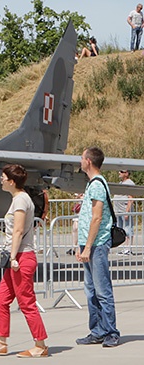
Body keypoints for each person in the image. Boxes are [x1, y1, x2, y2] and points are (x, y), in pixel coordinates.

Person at [0, 165, 49, 358]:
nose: (0, 180)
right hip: (17, 257)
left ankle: (40, 344)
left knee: (26, 302)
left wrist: (12, 256)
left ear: (11, 181)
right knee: (1, 299)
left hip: (21, 257)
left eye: (3, 177)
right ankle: (1, 342)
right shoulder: (19, 199)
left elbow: (18, 230)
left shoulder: (20, 201)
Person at [75, 147, 121, 348]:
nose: (80, 161)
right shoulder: (92, 184)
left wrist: (88, 247)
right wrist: (80, 245)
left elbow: (96, 217)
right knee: (91, 290)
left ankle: (111, 331)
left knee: (102, 290)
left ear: (88, 161)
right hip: (88, 243)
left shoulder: (97, 186)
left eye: (82, 158)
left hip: (97, 244)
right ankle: (97, 330)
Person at [114, 170, 135, 255]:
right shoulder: (121, 183)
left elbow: (131, 198)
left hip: (125, 210)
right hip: (119, 211)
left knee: (128, 228)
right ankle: (124, 248)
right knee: (122, 229)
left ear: (126, 173)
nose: (119, 173)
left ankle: (128, 248)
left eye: (121, 172)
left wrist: (127, 211)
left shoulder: (129, 183)